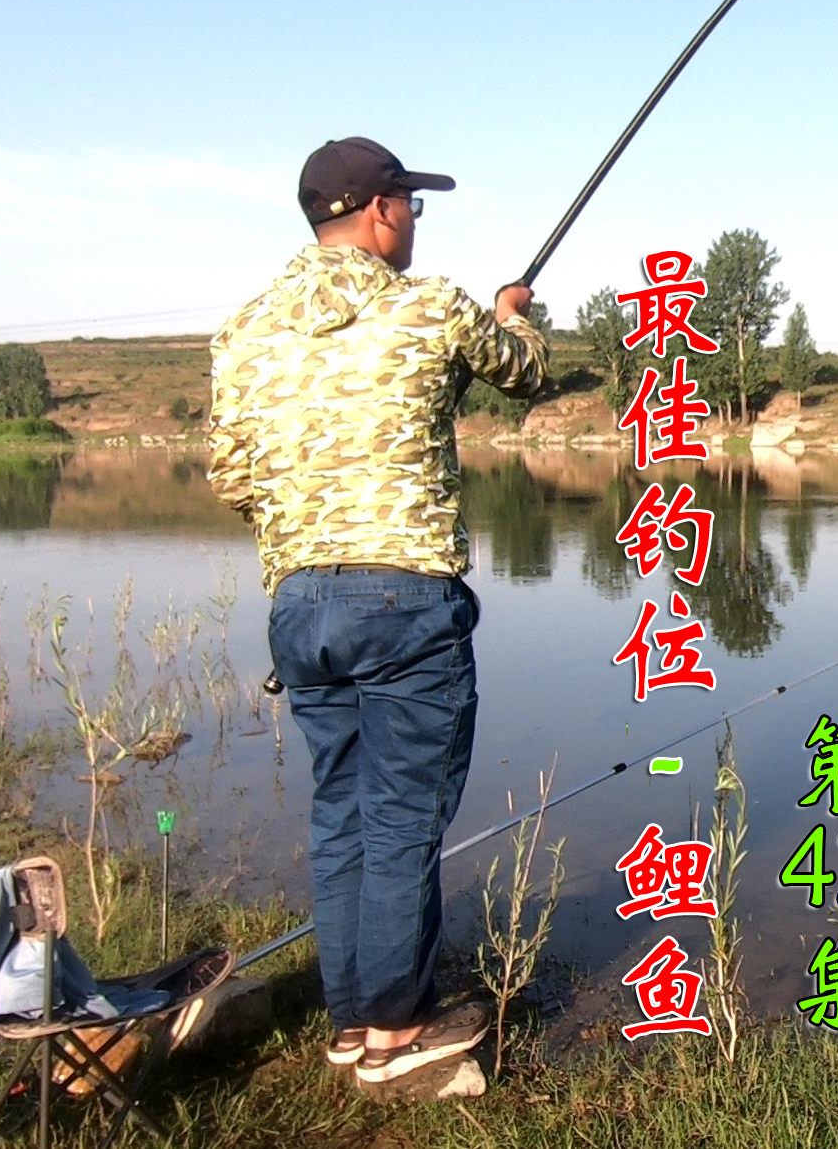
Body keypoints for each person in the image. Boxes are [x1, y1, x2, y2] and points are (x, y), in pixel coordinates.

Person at [207, 136, 549, 1083]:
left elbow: (230, 475)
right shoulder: (430, 306)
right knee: (400, 817)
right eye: (413, 205)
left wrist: (303, 538)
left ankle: (353, 1021)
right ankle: (395, 1035)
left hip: (298, 600)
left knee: (342, 812)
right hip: (403, 597)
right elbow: (520, 373)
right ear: (380, 210)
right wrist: (513, 316)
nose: (415, 223)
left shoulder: (242, 330)